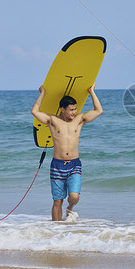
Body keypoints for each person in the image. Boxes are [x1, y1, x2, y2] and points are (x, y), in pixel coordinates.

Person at [31, 84, 103, 221]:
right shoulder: (53, 121)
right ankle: (56, 231)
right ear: (62, 109)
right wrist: (42, 93)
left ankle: (70, 208)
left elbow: (98, 110)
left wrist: (91, 92)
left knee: (74, 196)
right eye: (71, 110)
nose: (74, 112)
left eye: (75, 109)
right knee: (57, 202)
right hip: (57, 166)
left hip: (74, 164)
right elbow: (34, 111)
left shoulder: (79, 120)